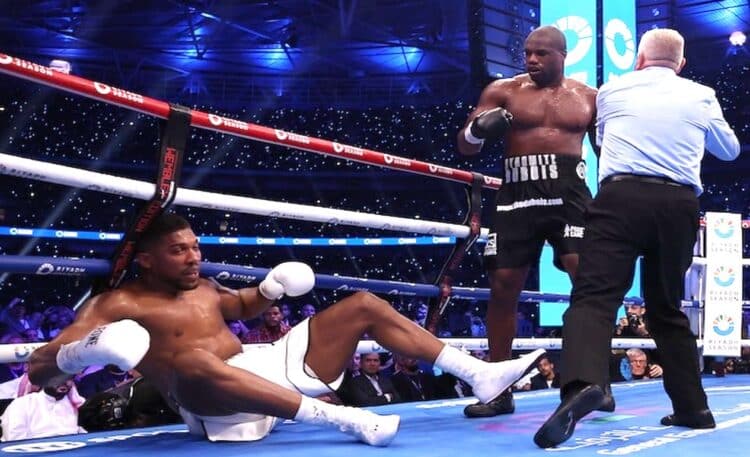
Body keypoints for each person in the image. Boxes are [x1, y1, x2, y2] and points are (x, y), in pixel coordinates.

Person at [28, 212, 543, 446]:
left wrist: (271, 289)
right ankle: (346, 422)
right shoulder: (116, 301)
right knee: (191, 361)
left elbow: (241, 306)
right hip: (215, 405)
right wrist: (81, 352)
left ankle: (478, 374)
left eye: (195, 248)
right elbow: (38, 363)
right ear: (145, 259)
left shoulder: (203, 286)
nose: (193, 258)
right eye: (178, 251)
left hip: (269, 373)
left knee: (362, 302)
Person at [534, 28, 740, 448]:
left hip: (620, 198)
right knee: (666, 307)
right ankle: (693, 408)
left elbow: (605, 144)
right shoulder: (700, 94)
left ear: (640, 60)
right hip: (677, 204)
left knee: (594, 299)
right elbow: (730, 150)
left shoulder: (612, 90)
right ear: (680, 64)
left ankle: (584, 384)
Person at [456, 25, 598, 417]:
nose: (531, 60)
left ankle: (591, 382)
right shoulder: (503, 91)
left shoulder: (589, 98)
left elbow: (610, 149)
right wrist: (476, 130)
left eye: (541, 54)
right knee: (503, 287)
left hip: (570, 195)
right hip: (517, 195)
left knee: (587, 282)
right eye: (528, 53)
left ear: (562, 55)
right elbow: (465, 146)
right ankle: (498, 390)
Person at [0, 379, 86, 441]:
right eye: (58, 377)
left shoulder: (76, 404)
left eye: (68, 378)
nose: (64, 381)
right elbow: (14, 441)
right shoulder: (22, 404)